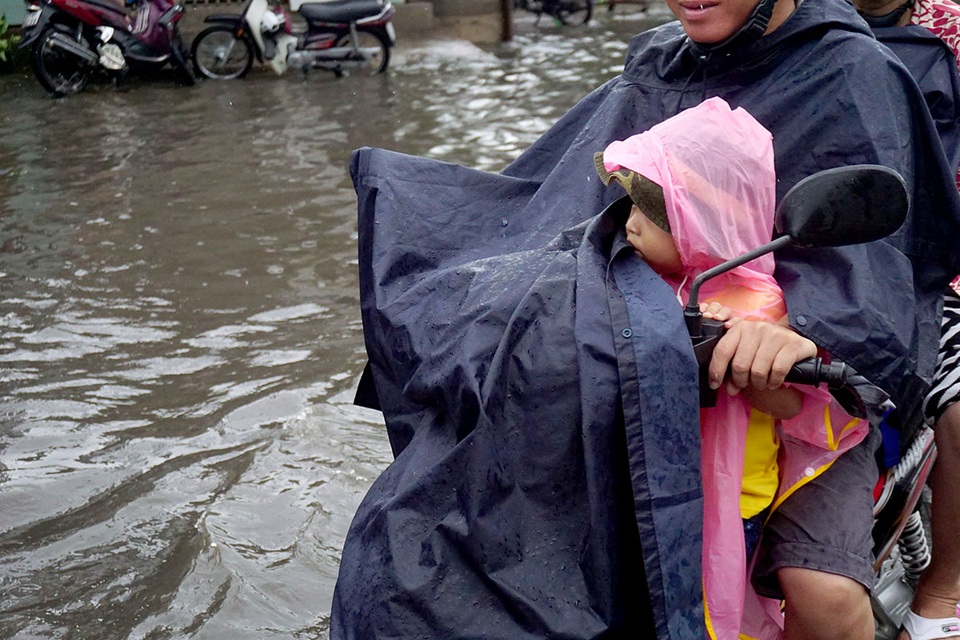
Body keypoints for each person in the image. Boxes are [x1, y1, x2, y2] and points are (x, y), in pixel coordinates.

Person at [332, 0, 960, 636]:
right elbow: (554, 207)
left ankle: (940, 597)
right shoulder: (657, 66)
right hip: (651, 357)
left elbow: (878, 267)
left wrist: (801, 331)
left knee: (821, 592)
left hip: (805, 400)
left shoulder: (852, 74)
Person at [595, 96, 871, 639]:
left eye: (651, 212)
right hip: (647, 483)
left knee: (708, 605)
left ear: (702, 222)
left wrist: (748, 365)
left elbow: (793, 405)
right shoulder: (635, 278)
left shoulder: (760, 305)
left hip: (728, 497)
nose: (629, 226)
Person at [850, 1, 960, 638]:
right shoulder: (783, 26)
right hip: (816, 261)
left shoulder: (950, 35)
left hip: (935, 270)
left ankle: (943, 589)